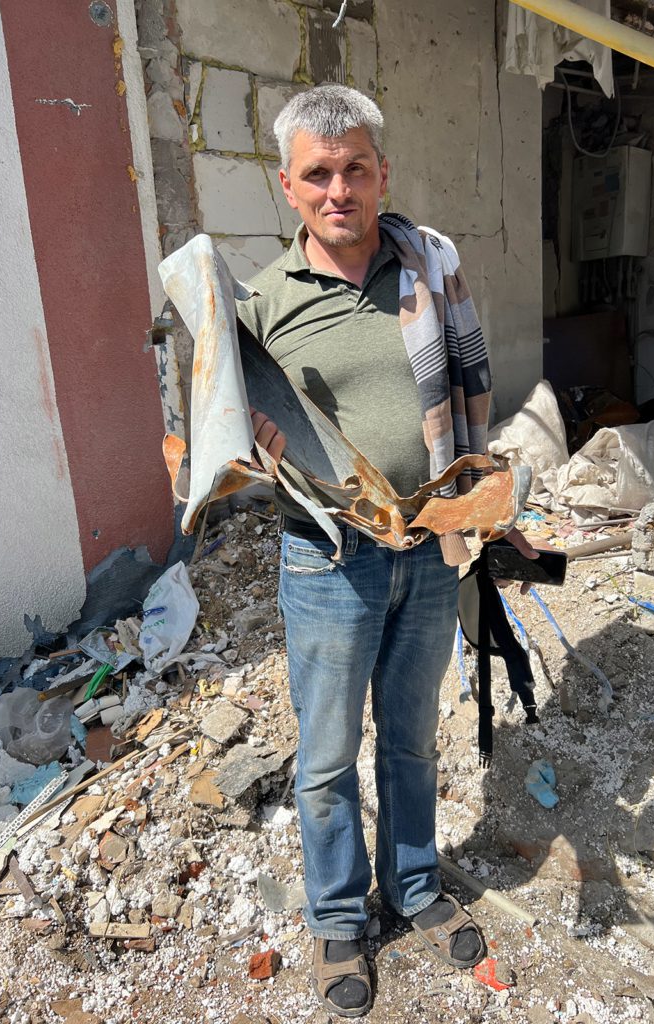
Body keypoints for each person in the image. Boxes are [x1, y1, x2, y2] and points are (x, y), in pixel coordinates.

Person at [237, 84, 536, 1018]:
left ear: (382, 174)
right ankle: (336, 917)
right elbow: (216, 437)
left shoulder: (427, 268)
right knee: (326, 757)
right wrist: (250, 445)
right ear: (287, 186)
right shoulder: (257, 304)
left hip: (427, 543)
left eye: (354, 169)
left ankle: (412, 889)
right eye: (317, 174)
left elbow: (466, 392)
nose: (339, 190)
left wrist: (480, 508)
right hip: (328, 558)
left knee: (409, 740)